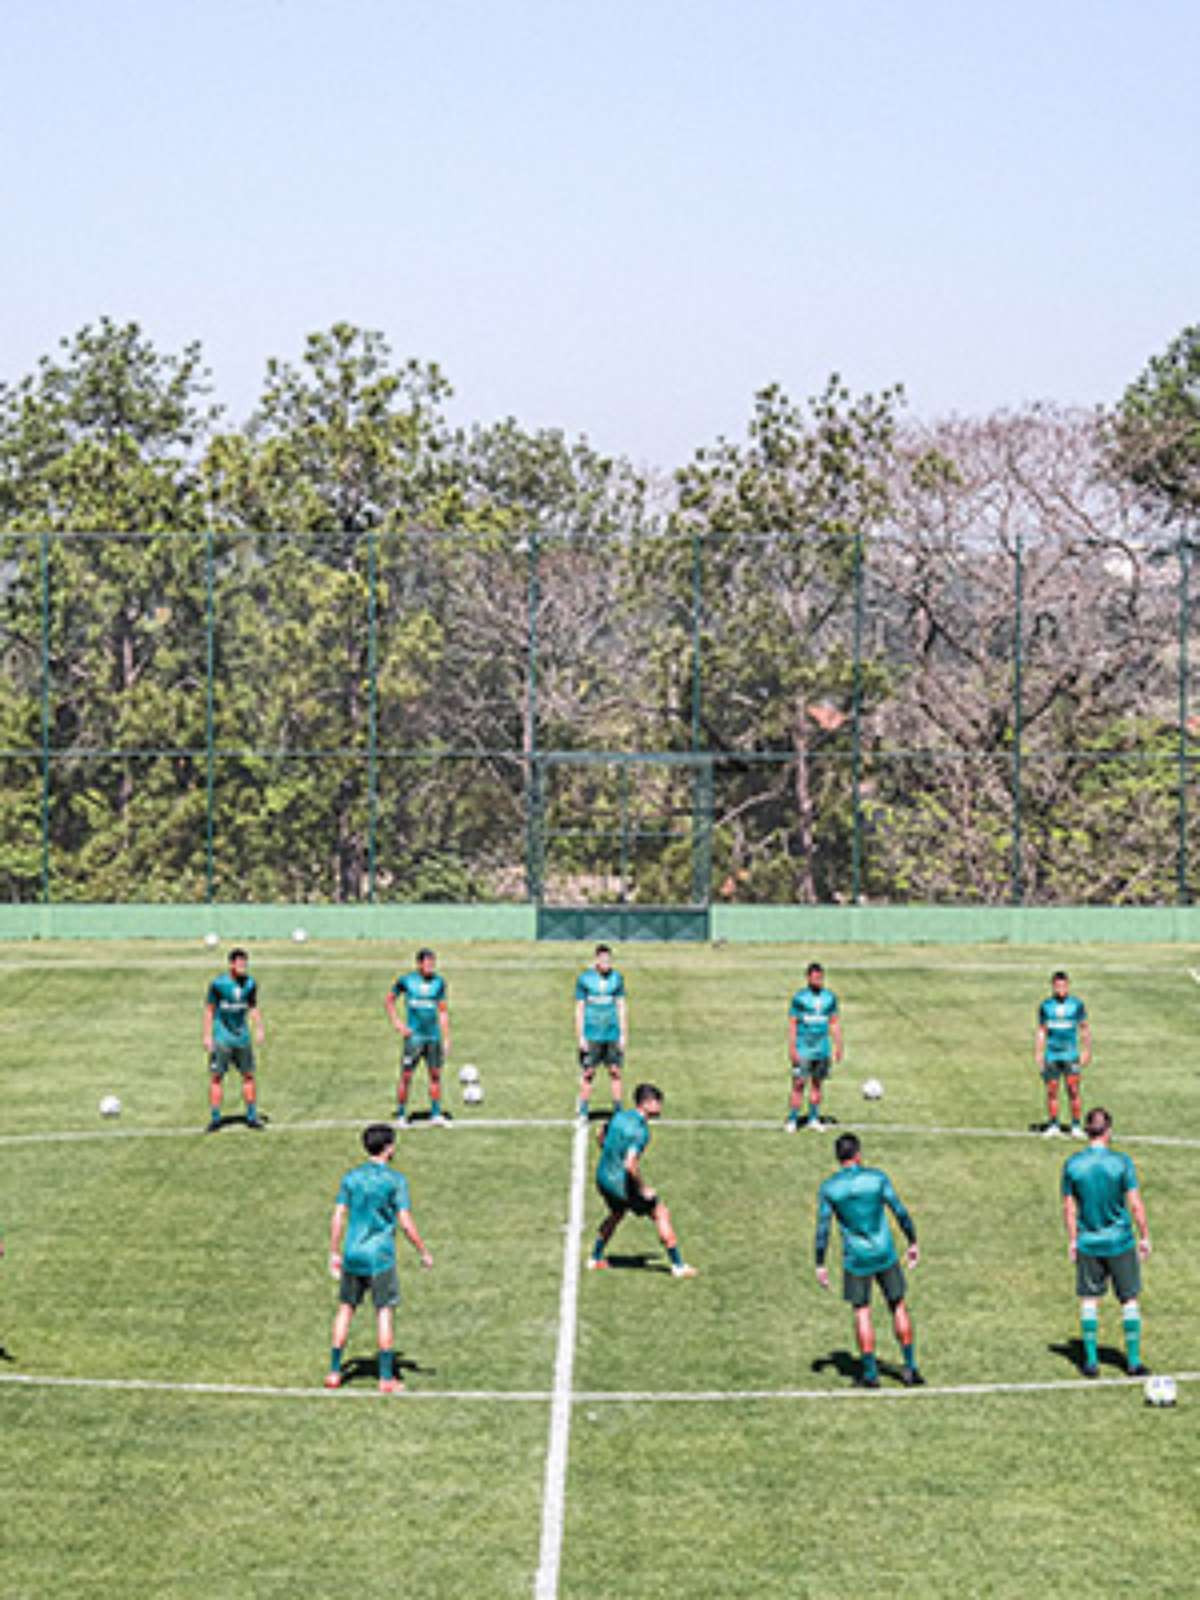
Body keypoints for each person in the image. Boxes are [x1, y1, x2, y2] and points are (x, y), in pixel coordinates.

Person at [325, 1123, 433, 1394]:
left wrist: (334, 1251)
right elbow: (405, 1221)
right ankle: (386, 1378)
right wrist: (423, 1250)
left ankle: (334, 1372)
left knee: (345, 1309)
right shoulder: (395, 1181)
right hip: (380, 1257)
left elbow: (338, 1216)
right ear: (388, 1148)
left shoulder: (350, 1178)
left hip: (353, 1253)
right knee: (383, 1312)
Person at [815, 1132, 922, 1387]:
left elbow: (822, 1229)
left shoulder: (830, 1188)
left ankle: (871, 1375)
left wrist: (819, 1263)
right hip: (885, 1253)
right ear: (858, 1154)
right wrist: (912, 1241)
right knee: (898, 1305)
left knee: (862, 1311)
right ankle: (910, 1369)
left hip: (856, 1259)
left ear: (838, 1157)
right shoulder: (876, 1179)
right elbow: (900, 1211)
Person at [1061, 1106, 1151, 1379]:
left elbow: (1069, 1209)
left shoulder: (1073, 1165)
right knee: (1129, 1300)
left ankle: (1090, 1362)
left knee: (1089, 1300)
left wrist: (1073, 1240)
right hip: (1120, 1241)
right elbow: (1135, 1204)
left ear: (1087, 1131)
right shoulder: (1121, 1163)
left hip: (1089, 1242)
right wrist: (1145, 1235)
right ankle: (1133, 1362)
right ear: (1108, 1131)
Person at [587, 1082, 696, 1279]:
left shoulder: (619, 1116)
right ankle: (678, 1266)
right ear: (646, 1104)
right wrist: (643, 1189)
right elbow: (630, 1165)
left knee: (616, 1213)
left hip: (602, 1178)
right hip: (621, 1184)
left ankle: (595, 1258)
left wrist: (609, 1154)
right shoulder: (640, 1131)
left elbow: (600, 1134)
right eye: (657, 1103)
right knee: (661, 1213)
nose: (660, 1107)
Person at [386, 948, 452, 1126]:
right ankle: (401, 1114)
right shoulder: (407, 981)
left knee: (435, 1075)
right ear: (419, 964)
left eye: (433, 963)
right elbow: (390, 999)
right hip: (414, 1038)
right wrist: (398, 1024)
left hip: (433, 1037)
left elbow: (443, 1011)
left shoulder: (439, 983)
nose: (431, 967)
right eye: (427, 963)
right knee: (406, 1076)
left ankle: (436, 1114)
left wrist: (446, 1038)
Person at [203, 947, 265, 1132]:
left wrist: (259, 1028)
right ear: (231, 964)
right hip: (222, 1039)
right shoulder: (218, 985)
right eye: (239, 963)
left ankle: (252, 1116)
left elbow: (252, 1007)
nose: (242, 967)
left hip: (242, 1039)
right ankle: (215, 1119)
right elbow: (209, 1010)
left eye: (244, 963)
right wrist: (207, 1035)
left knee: (248, 1075)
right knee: (216, 1077)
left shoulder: (250, 984)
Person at [786, 961, 843, 1131]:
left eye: (820, 977)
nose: (818, 980)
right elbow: (793, 1024)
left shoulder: (829, 998)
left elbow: (833, 1023)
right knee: (798, 1084)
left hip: (822, 1049)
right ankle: (792, 1119)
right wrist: (792, 1048)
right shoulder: (799, 998)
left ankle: (813, 1118)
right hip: (803, 1048)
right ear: (808, 978)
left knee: (817, 1084)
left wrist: (838, 1045)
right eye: (815, 977)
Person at [1036, 969, 1091, 1138]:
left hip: (1070, 1054)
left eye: (1064, 985)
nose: (1061, 988)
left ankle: (1075, 1126)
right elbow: (1042, 1030)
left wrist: (1086, 1050)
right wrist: (1039, 1052)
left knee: (1073, 1090)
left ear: (1068, 986)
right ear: (1053, 986)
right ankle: (1054, 1124)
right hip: (1052, 1055)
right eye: (1057, 985)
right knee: (1052, 1091)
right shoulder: (1045, 1006)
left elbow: (1084, 1028)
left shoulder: (1076, 1005)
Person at [575, 943, 627, 1120]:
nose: (606, 963)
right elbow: (580, 1009)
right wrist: (581, 1036)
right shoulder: (584, 979)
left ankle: (618, 1107)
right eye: (603, 959)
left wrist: (623, 1034)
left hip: (612, 1034)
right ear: (596, 960)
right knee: (589, 1072)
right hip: (592, 1034)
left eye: (608, 959)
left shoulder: (617, 979)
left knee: (615, 1071)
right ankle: (583, 1107)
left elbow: (621, 1006)